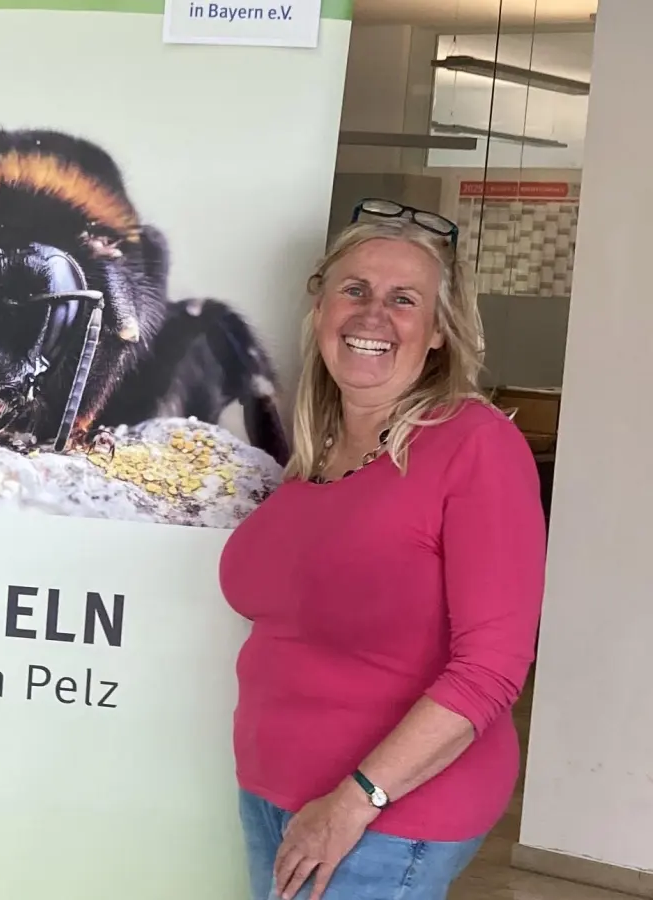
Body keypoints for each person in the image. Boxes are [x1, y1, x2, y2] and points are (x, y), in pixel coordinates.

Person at [218, 199, 548, 900]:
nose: (372, 316)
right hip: (274, 795)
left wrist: (354, 801)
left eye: (404, 300)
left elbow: (491, 670)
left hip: (387, 811)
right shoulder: (317, 454)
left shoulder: (474, 445)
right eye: (355, 290)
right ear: (321, 311)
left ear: (437, 333)